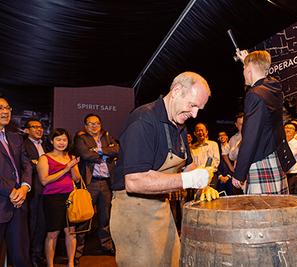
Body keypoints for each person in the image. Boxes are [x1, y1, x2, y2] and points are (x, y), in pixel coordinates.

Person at [110, 71, 214, 267]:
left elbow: (188, 166)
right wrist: (189, 181)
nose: (194, 114)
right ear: (176, 91)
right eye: (192, 105)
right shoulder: (143, 120)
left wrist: (204, 186)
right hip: (133, 211)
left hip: (161, 209)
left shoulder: (179, 125)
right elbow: (134, 181)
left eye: (199, 108)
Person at [232, 50, 289, 194]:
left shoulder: (254, 95)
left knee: (262, 212)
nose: (243, 72)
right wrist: (247, 60)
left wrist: (239, 173)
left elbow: (251, 136)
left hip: (260, 160)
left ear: (250, 68)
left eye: (244, 68)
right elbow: (262, 74)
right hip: (275, 158)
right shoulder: (274, 88)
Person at [73, 114, 119, 262]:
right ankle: (77, 251)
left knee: (105, 217)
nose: (94, 126)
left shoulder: (107, 136)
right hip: (90, 183)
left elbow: (117, 149)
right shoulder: (81, 138)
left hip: (106, 183)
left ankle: (106, 247)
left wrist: (98, 151)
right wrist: (105, 154)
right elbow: (86, 154)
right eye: (91, 124)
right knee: (84, 217)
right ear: (85, 126)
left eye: (97, 123)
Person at [36, 128, 81, 267]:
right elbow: (44, 180)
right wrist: (66, 169)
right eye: (58, 139)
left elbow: (78, 179)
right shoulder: (44, 158)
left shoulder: (71, 157)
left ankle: (71, 263)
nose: (62, 143)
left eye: (64, 140)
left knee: (71, 232)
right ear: (51, 141)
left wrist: (72, 167)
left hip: (70, 197)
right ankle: (50, 264)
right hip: (53, 198)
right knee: (53, 233)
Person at [0, 97, 32, 267]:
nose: (5, 112)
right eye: (0, 108)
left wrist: (25, 188)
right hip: (3, 201)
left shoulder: (16, 138)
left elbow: (26, 165)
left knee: (21, 257)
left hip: (19, 204)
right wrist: (11, 190)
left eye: (7, 108)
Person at [23, 119, 50, 267]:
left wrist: (37, 163)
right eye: (34, 127)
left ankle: (38, 254)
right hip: (32, 190)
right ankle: (29, 256)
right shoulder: (23, 145)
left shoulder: (46, 145)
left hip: (47, 189)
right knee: (31, 224)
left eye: (40, 127)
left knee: (43, 223)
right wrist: (38, 165)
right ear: (27, 130)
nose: (39, 130)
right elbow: (26, 166)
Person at [191, 122, 220, 188]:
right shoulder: (192, 148)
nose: (200, 132)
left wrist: (206, 171)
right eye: (198, 131)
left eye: (202, 130)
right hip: (197, 177)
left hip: (211, 176)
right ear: (195, 133)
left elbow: (216, 160)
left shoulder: (213, 144)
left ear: (206, 132)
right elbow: (192, 163)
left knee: (210, 196)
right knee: (198, 197)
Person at [284, 121, 297, 192]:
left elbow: (286, 157)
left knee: (291, 192)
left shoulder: (296, 144)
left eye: (291, 128)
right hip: (285, 173)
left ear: (295, 132)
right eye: (286, 127)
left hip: (293, 173)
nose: (288, 130)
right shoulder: (283, 143)